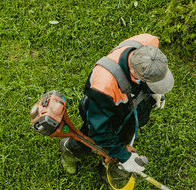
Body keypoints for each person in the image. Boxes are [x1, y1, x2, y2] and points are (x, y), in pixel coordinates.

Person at [60, 33, 174, 178]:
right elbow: (100, 129)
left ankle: (108, 166)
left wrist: (154, 92)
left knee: (124, 139)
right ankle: (70, 152)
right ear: (136, 74)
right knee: (90, 140)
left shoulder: (149, 42)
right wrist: (124, 156)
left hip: (131, 108)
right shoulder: (104, 85)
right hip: (105, 112)